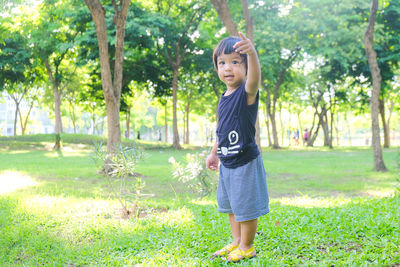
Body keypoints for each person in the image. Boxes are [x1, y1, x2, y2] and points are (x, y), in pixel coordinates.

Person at [206, 33, 269, 263]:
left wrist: (252, 54)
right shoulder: (223, 97)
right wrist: (214, 152)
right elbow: (222, 130)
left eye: (235, 62)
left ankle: (247, 246)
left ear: (245, 67)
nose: (227, 68)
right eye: (222, 63)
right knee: (232, 206)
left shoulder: (246, 93)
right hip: (227, 162)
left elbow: (254, 80)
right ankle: (236, 241)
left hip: (244, 161)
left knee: (246, 207)